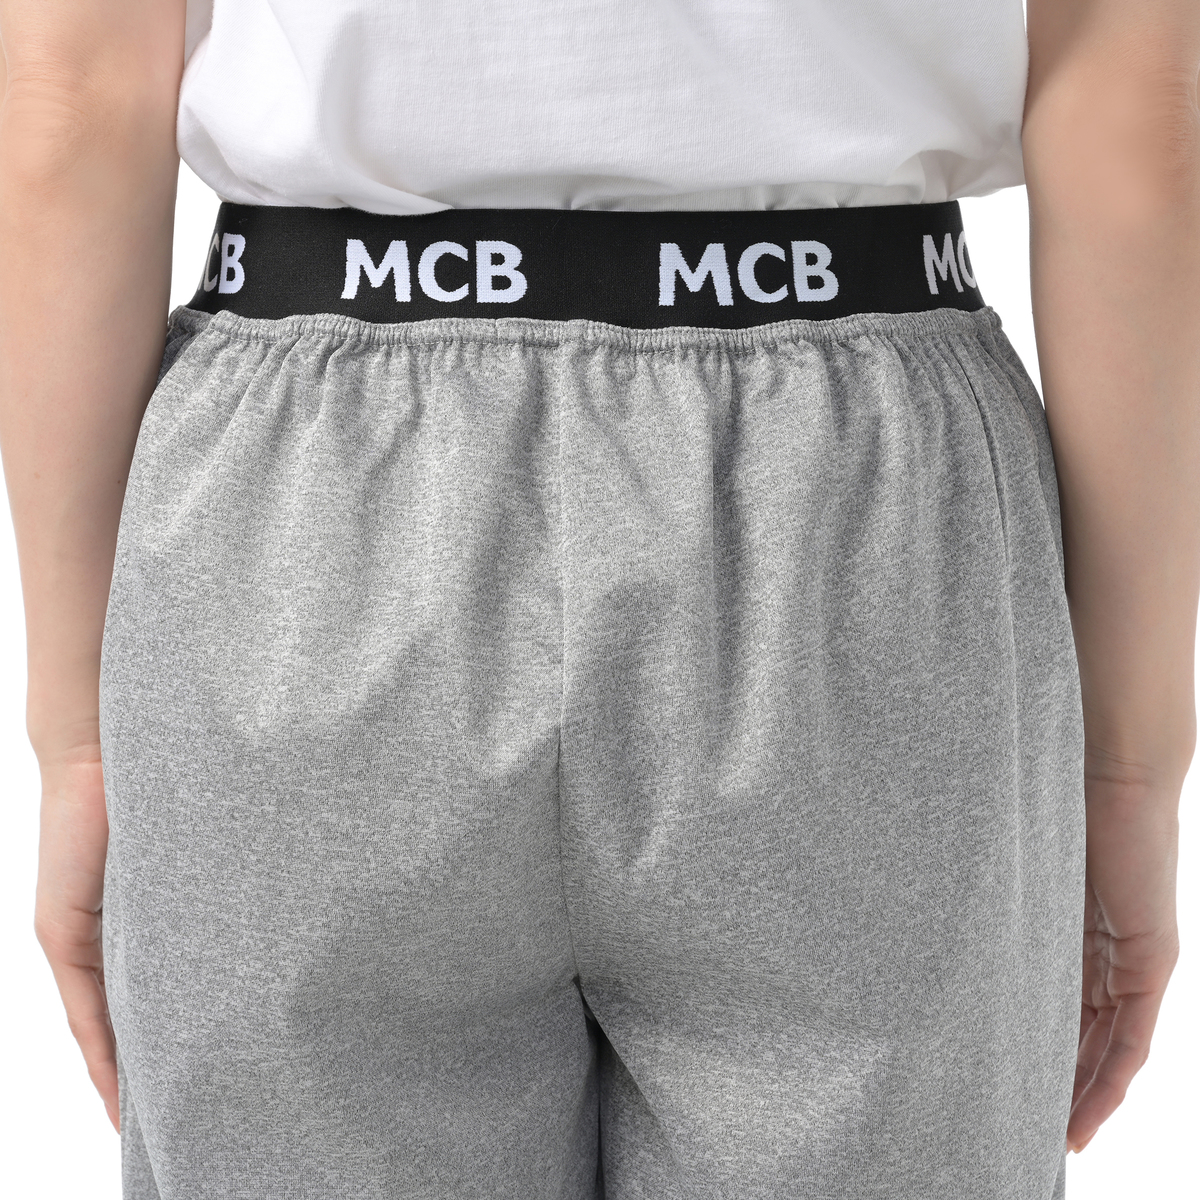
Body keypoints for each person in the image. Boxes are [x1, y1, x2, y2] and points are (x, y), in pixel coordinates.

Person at [0, 1, 1195, 1197]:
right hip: (859, 501)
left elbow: (70, 100)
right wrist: (1129, 766)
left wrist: (78, 741)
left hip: (310, 499)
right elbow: (1134, 110)